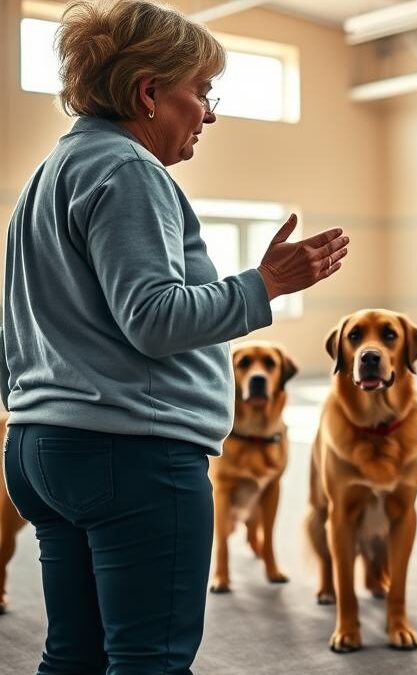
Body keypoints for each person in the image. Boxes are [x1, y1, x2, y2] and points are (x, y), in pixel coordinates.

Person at [0, 1, 348, 672]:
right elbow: (154, 318)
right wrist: (265, 283)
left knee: (73, 655)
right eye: (202, 92)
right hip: (129, 456)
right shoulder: (130, 170)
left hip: (43, 448)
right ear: (149, 93)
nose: (209, 114)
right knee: (148, 659)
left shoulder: (49, 176)